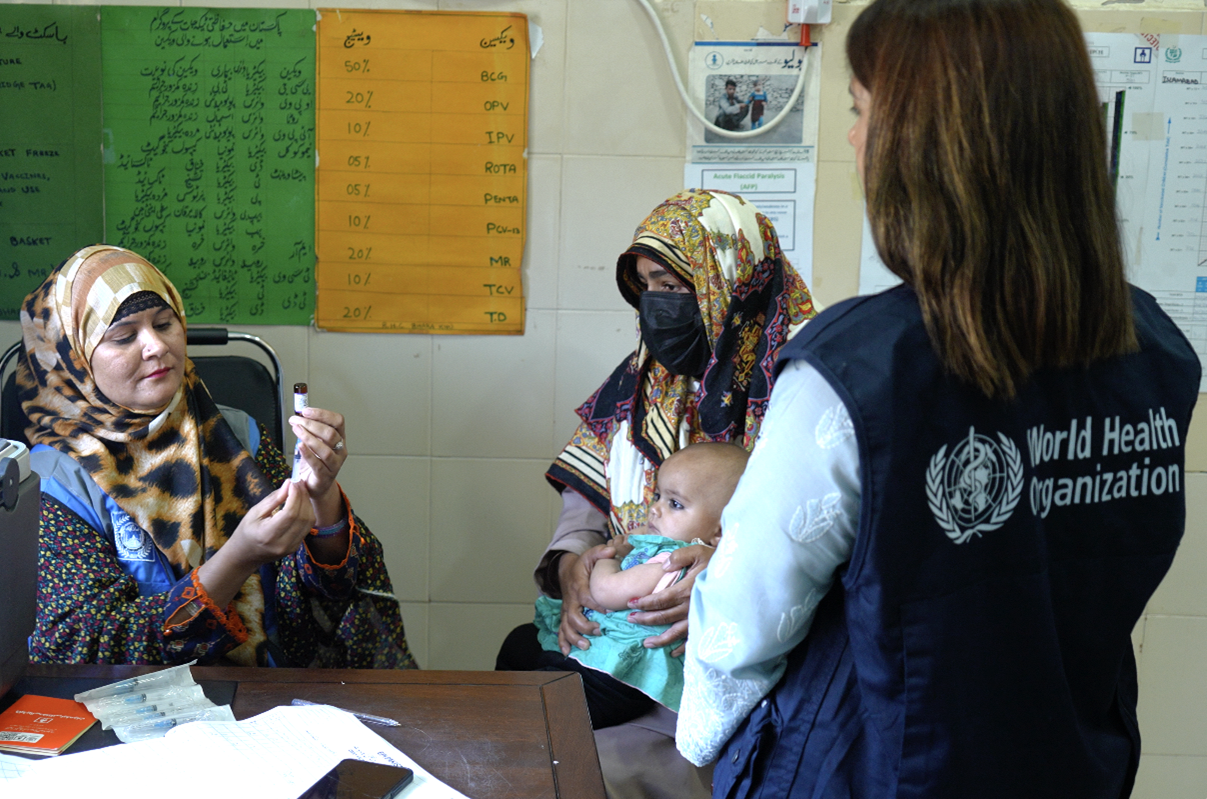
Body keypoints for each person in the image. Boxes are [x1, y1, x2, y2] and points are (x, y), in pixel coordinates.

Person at [676, 2, 1201, 797]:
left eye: (861, 110)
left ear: (925, 145)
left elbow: (743, 620)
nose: (852, 138)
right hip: (1073, 765)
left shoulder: (854, 372)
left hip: (875, 769)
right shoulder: (1158, 351)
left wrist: (695, 742)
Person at [496, 188, 815, 799]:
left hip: (755, 659)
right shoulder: (638, 380)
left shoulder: (805, 383)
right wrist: (572, 570)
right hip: (632, 634)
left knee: (553, 723)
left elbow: (831, 533)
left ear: (729, 279)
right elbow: (583, 512)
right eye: (645, 286)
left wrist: (730, 574)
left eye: (672, 285)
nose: (656, 304)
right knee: (523, 683)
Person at [17, 244, 416, 668]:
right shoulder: (52, 481)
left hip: (267, 692)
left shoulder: (236, 434)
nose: (156, 346)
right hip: (141, 702)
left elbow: (327, 596)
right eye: (124, 336)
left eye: (165, 323)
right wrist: (237, 558)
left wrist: (323, 499)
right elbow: (85, 645)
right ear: (73, 358)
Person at [530, 443, 749, 730]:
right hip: (610, 664)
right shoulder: (675, 550)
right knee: (519, 655)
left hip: (615, 676)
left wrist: (609, 556)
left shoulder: (675, 561)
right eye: (658, 496)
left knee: (534, 708)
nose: (654, 509)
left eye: (675, 504)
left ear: (719, 531)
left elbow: (606, 591)